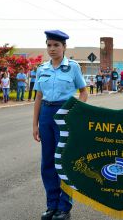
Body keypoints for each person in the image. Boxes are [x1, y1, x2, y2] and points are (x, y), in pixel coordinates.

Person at [32, 30, 88, 220]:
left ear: (64, 47)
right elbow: (38, 97)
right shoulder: (42, 69)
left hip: (66, 114)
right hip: (46, 115)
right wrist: (35, 125)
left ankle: (64, 206)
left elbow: (83, 92)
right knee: (47, 162)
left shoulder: (73, 68)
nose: (52, 49)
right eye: (49, 45)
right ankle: (51, 205)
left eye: (56, 45)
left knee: (64, 161)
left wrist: (75, 112)